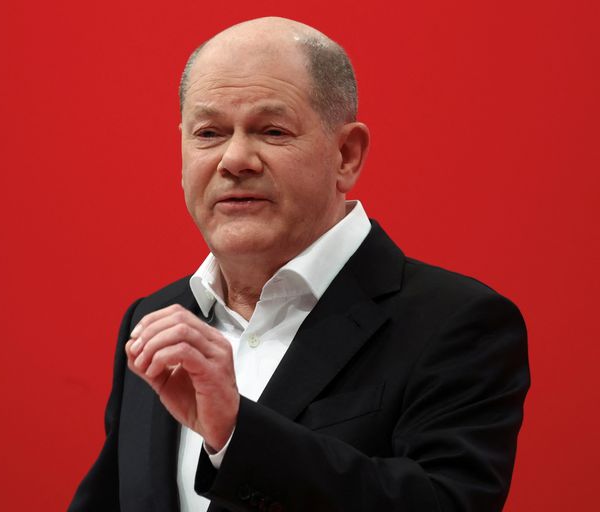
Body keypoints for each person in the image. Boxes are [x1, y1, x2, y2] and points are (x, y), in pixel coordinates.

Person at [69, 16, 529, 512]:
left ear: (346, 155)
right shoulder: (154, 319)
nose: (235, 159)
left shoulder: (456, 323)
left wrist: (238, 436)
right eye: (208, 133)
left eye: (271, 130)